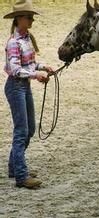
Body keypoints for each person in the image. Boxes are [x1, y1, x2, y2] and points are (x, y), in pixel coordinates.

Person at [3, 0, 54, 189]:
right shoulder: (14, 42)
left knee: (29, 129)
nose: (32, 19)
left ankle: (14, 167)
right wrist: (36, 75)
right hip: (16, 86)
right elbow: (16, 69)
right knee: (22, 131)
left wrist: (43, 67)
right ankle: (21, 176)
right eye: (29, 16)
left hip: (22, 86)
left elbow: (28, 64)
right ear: (19, 19)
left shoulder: (25, 38)